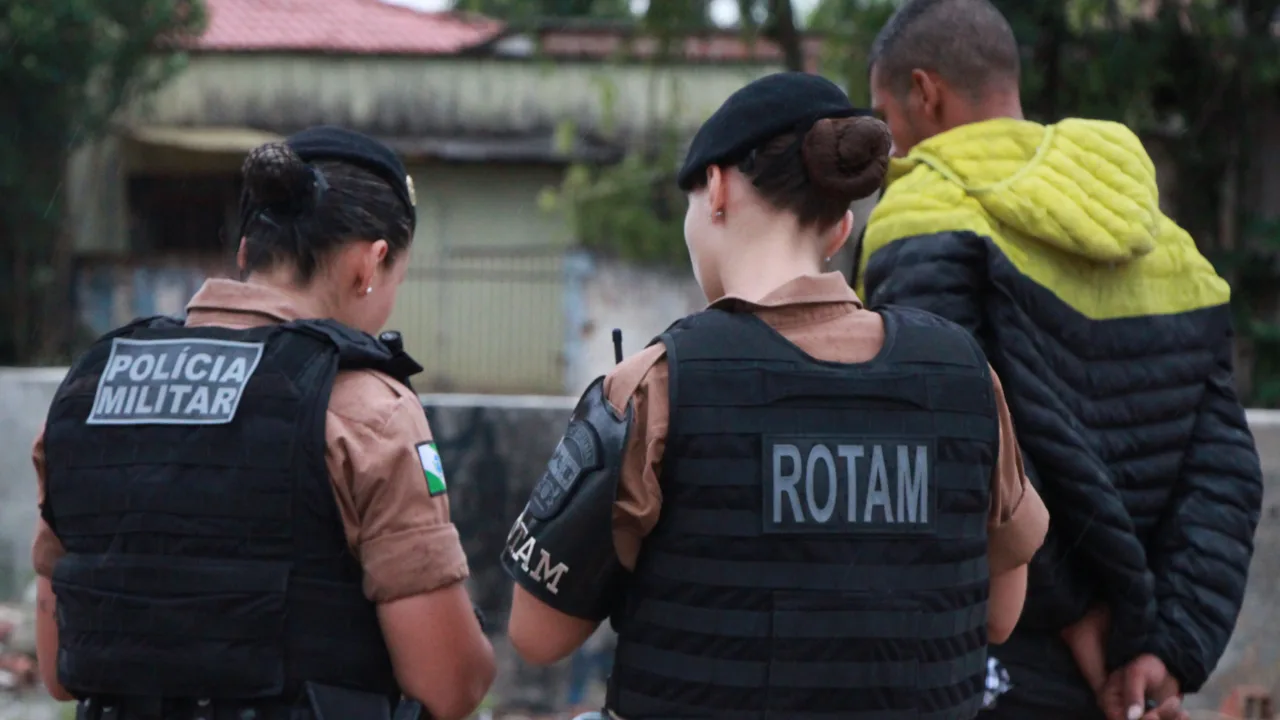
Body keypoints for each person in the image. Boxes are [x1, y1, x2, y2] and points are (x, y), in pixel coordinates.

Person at [500, 71, 1049, 720]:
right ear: (841, 229)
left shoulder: (659, 383)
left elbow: (538, 635)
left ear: (718, 189)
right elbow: (1001, 616)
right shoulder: (963, 376)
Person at [855, 1, 1265, 719]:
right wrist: (1165, 647)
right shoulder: (1168, 243)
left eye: (883, 116)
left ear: (925, 92)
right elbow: (1225, 471)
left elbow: (960, 447)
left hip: (991, 656)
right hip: (1130, 682)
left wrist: (1076, 619)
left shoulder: (921, 216)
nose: (888, 150)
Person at [31, 126, 495, 720]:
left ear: (246, 252)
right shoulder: (365, 408)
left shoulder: (91, 388)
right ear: (370, 264)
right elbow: (448, 685)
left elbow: (58, 670)